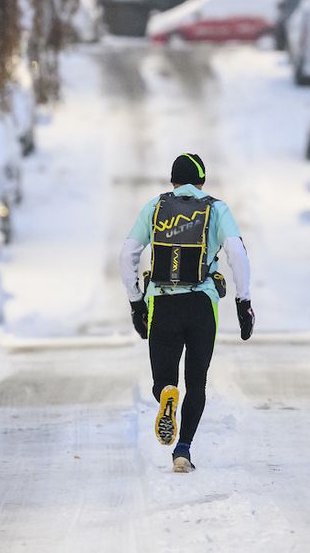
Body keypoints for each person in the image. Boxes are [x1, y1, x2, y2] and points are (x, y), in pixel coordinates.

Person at [119, 153, 255, 473]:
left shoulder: (155, 208)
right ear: (202, 182)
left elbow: (127, 256)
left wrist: (136, 302)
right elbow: (237, 253)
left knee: (164, 379)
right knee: (197, 382)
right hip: (201, 305)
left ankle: (167, 395)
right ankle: (183, 450)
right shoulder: (216, 208)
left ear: (173, 181)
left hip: (162, 303)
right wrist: (243, 302)